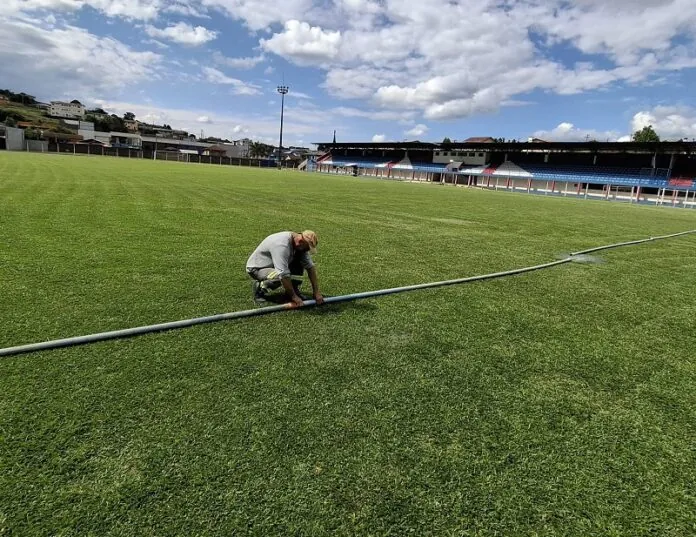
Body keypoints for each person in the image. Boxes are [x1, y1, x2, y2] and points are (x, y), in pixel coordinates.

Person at [246, 230, 324, 308]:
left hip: (274, 264)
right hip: (258, 268)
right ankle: (260, 287)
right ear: (300, 241)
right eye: (307, 248)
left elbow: (310, 267)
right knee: (279, 277)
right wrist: (294, 297)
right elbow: (282, 274)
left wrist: (316, 292)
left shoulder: (299, 244)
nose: (306, 251)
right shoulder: (281, 245)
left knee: (299, 261)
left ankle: (290, 292)